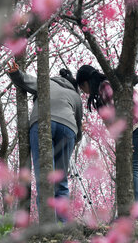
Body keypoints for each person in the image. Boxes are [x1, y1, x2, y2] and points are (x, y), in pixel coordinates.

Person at [7, 61, 83, 222]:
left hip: (42, 122)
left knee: (44, 177)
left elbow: (25, 80)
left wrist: (15, 72)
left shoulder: (47, 83)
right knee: (60, 180)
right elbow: (79, 125)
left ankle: (48, 224)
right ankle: (63, 224)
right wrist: (73, 142)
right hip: (68, 129)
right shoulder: (76, 96)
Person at [75, 65, 138, 204]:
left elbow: (119, 116)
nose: (84, 92)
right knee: (136, 171)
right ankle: (136, 214)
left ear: (85, 82)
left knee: (133, 170)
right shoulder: (109, 84)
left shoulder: (105, 87)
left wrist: (123, 140)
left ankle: (133, 216)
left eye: (82, 88)